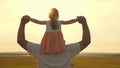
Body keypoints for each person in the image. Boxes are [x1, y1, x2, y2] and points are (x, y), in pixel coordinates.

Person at [17, 10, 91, 68]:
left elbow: (21, 41)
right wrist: (83, 23)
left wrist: (23, 23)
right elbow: (86, 41)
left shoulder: (39, 50)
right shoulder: (68, 50)